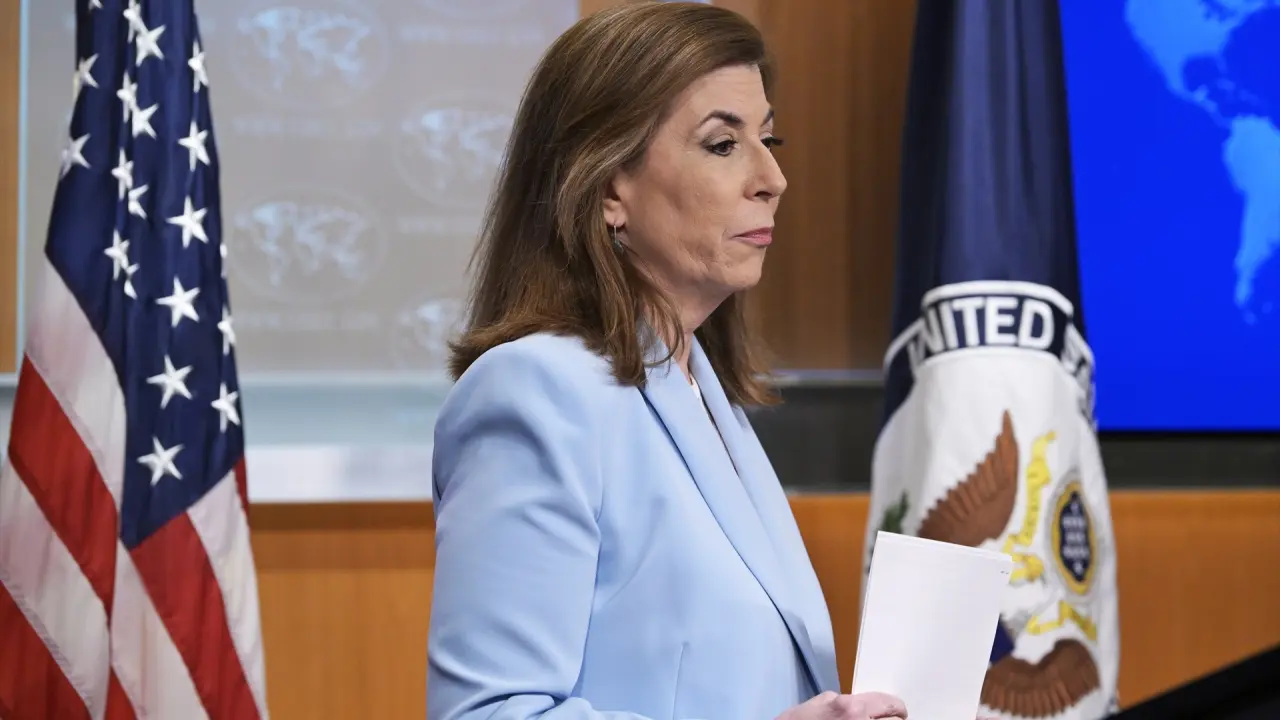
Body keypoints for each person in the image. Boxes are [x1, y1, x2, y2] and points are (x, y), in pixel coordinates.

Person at [428, 4, 948, 719]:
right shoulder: (533, 392)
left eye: (769, 139)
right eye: (722, 144)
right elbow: (488, 713)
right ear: (608, 188)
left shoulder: (703, 388)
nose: (773, 178)